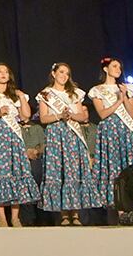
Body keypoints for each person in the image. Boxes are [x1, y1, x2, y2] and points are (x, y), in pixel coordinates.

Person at [0, 62, 39, 227]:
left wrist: (21, 97)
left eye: (6, 71)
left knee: (15, 173)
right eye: (0, 71)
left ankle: (15, 216)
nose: (3, 74)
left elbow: (26, 116)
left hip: (13, 140)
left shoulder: (15, 95)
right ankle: (1, 217)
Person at [37, 62, 96, 225]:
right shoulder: (45, 94)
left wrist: (71, 115)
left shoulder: (74, 93)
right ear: (54, 73)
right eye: (61, 72)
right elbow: (43, 118)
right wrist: (59, 116)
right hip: (56, 135)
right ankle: (63, 215)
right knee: (60, 172)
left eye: (67, 73)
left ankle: (75, 214)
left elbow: (82, 117)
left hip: (72, 135)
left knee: (73, 171)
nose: (64, 76)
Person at [87, 57, 133, 209]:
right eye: (114, 66)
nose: (118, 69)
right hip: (109, 130)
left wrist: (125, 96)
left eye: (120, 67)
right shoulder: (97, 90)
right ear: (106, 69)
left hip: (126, 131)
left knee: (128, 165)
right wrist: (119, 101)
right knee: (113, 166)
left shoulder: (125, 88)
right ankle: (117, 205)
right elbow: (102, 114)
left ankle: (132, 202)